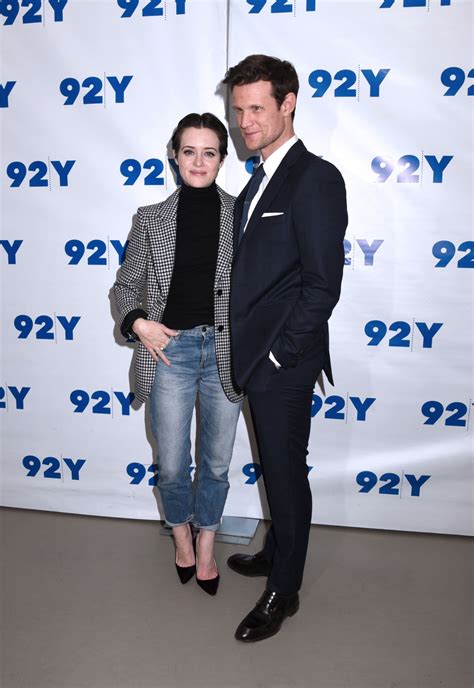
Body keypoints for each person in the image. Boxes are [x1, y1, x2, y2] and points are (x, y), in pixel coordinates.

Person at [222, 55, 348, 640]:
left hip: (283, 363)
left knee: (287, 474)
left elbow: (322, 285)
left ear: (288, 103)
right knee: (274, 467)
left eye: (256, 109)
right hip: (256, 360)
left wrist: (276, 357)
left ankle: (284, 590)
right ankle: (276, 553)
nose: (244, 122)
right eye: (238, 110)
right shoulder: (257, 179)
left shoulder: (315, 177)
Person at [113, 113, 242, 596]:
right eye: (190, 150)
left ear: (222, 159)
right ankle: (181, 536)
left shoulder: (241, 215)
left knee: (216, 462)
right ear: (174, 154)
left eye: (210, 152)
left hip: (225, 352)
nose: (199, 161)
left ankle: (207, 542)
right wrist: (139, 323)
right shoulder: (149, 219)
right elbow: (125, 287)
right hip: (170, 352)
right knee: (170, 462)